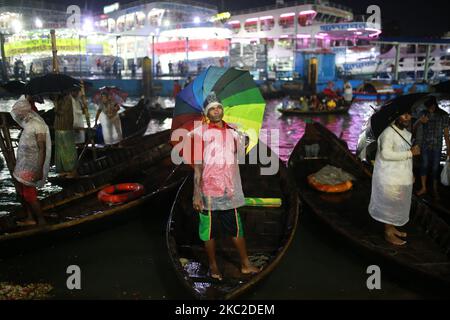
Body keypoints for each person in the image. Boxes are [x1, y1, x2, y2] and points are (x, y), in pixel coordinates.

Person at [191, 94, 261, 280]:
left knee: (237, 228)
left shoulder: (234, 131)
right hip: (208, 191)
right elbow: (198, 167)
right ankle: (213, 266)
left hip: (230, 190)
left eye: (219, 107)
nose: (217, 110)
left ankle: (245, 264)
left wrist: (245, 140)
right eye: (212, 108)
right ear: (207, 113)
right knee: (208, 232)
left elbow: (242, 155)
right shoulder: (201, 134)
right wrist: (196, 194)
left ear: (222, 110)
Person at [368, 112, 421, 246]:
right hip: (390, 177)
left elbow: (404, 157)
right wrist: (410, 153)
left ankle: (391, 227)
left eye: (409, 115)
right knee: (390, 204)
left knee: (396, 204)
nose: (407, 118)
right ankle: (388, 233)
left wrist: (410, 173)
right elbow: (386, 154)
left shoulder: (402, 132)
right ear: (395, 117)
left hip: (401, 176)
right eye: (404, 116)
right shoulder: (388, 133)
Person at [10, 97, 51, 226]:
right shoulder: (27, 124)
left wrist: (39, 169)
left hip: (32, 166)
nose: (18, 116)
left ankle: (41, 221)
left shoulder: (38, 125)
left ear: (25, 112)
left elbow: (42, 149)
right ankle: (30, 217)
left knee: (30, 195)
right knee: (24, 193)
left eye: (19, 113)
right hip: (24, 164)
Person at [414, 96, 450, 198]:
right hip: (425, 145)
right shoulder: (423, 113)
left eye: (431, 106)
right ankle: (424, 188)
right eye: (428, 107)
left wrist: (448, 148)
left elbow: (446, 134)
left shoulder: (443, 115)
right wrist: (420, 121)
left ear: (435, 105)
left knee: (435, 168)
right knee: (424, 165)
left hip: (437, 146)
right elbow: (414, 128)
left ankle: (434, 189)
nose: (430, 109)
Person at [52, 94, 78, 177]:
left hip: (65, 127)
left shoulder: (67, 98)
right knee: (59, 150)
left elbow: (61, 111)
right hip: (58, 127)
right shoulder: (59, 97)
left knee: (68, 150)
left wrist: (55, 103)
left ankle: (71, 170)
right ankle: (62, 170)